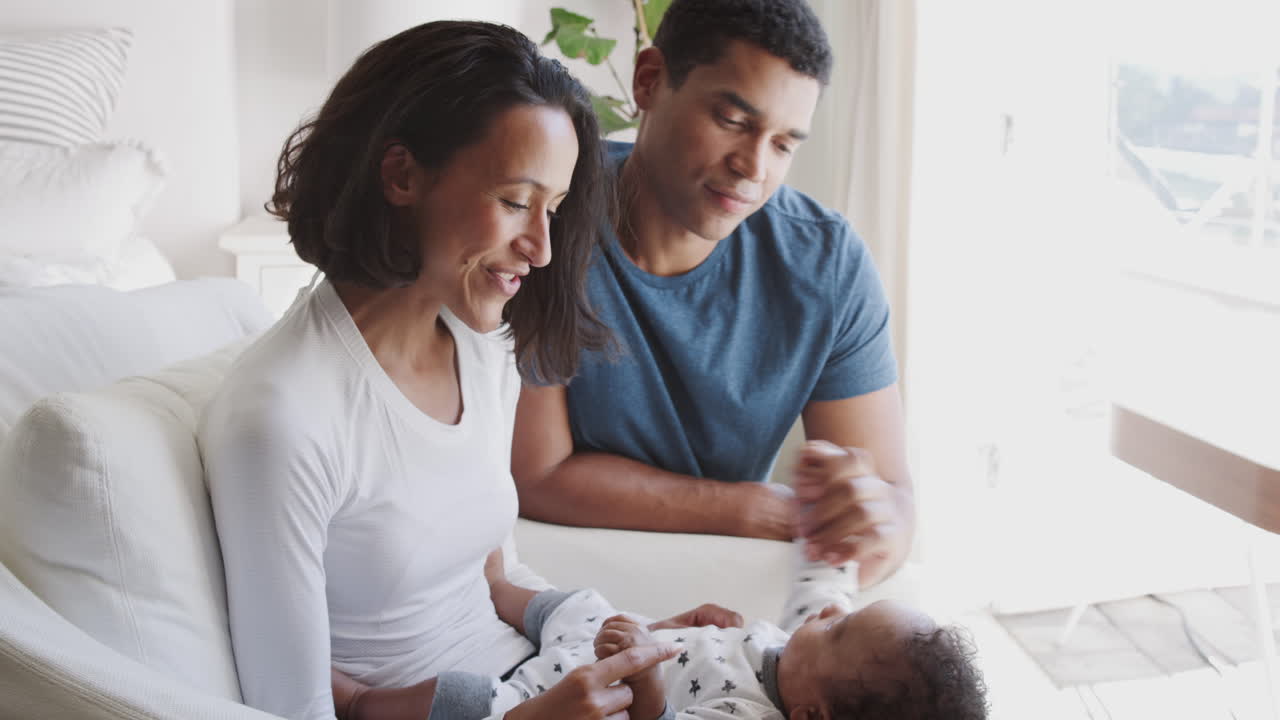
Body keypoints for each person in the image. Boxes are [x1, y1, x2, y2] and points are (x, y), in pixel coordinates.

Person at [200, 21, 682, 720]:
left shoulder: (484, 352)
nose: (542, 249)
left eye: (554, 208)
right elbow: (296, 711)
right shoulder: (282, 419)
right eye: (517, 202)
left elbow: (495, 578)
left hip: (536, 681)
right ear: (400, 175)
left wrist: (629, 642)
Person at [512, 0, 915, 591]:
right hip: (557, 584)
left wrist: (878, 522)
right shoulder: (550, 216)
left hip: (729, 592)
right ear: (649, 81)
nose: (753, 166)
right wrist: (746, 508)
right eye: (732, 119)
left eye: (783, 144)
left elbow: (893, 504)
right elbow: (540, 474)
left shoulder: (826, 265)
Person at [337, 549, 988, 720]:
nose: (824, 617)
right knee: (585, 604)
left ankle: (357, 704)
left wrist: (648, 682)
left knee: (475, 703)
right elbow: (822, 591)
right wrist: (830, 536)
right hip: (611, 640)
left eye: (839, 631)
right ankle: (502, 590)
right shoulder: (795, 656)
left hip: (568, 697)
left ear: (813, 715)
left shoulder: (750, 715)